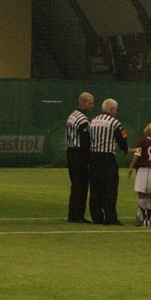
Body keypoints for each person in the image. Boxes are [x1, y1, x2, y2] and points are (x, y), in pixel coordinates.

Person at [88, 98, 129, 226]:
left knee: (95, 188)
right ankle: (110, 217)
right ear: (111, 110)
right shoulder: (114, 122)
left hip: (93, 157)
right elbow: (122, 139)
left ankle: (96, 217)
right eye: (115, 110)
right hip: (107, 159)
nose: (116, 112)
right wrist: (125, 149)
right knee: (110, 189)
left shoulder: (93, 121)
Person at [66, 92, 94, 223]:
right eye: (90, 103)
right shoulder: (82, 120)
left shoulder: (72, 115)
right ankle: (77, 215)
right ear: (82, 103)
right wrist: (88, 157)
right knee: (81, 185)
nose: (92, 106)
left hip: (71, 153)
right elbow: (84, 142)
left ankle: (73, 214)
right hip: (78, 155)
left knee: (75, 185)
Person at [127, 122, 151, 227]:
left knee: (141, 194)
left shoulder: (142, 141)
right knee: (150, 194)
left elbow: (138, 154)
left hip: (142, 170)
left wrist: (131, 167)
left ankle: (141, 218)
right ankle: (149, 219)